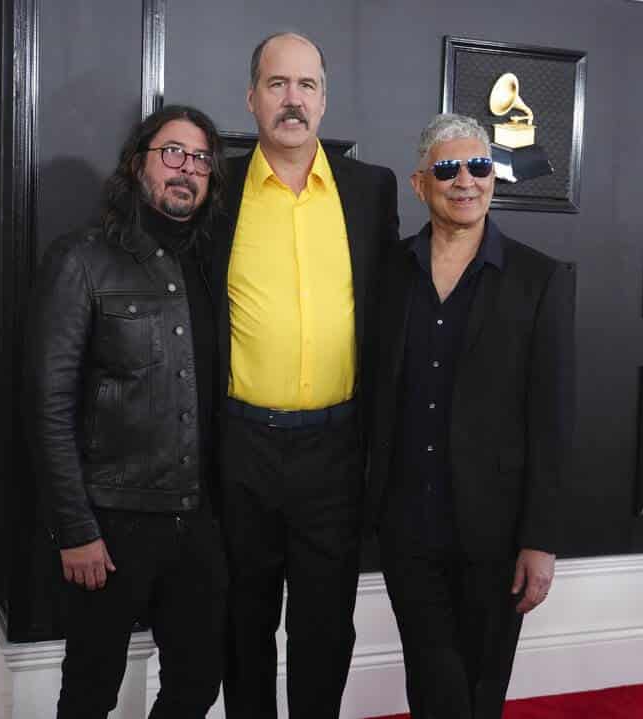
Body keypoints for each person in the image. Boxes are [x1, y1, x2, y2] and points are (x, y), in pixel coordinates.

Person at [207, 31, 399, 719]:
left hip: (335, 450)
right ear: (252, 97)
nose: (293, 99)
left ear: (325, 99)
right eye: (278, 84)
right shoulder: (216, 186)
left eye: (307, 85)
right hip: (239, 447)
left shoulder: (369, 190)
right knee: (242, 622)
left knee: (325, 626)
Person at [367, 113, 575, 718]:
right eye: (448, 168)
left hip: (496, 532)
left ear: (494, 176)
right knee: (431, 680)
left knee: (481, 688)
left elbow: (553, 420)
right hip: (407, 525)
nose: (466, 181)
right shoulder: (390, 272)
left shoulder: (540, 279)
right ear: (420, 183)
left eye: (479, 166)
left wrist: (540, 540)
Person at [25, 105, 228, 719]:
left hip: (198, 520)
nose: (186, 169)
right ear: (138, 163)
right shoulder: (81, 259)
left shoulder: (213, 264)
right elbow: (47, 404)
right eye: (172, 153)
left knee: (197, 684)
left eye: (199, 159)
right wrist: (76, 529)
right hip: (111, 526)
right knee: (89, 692)